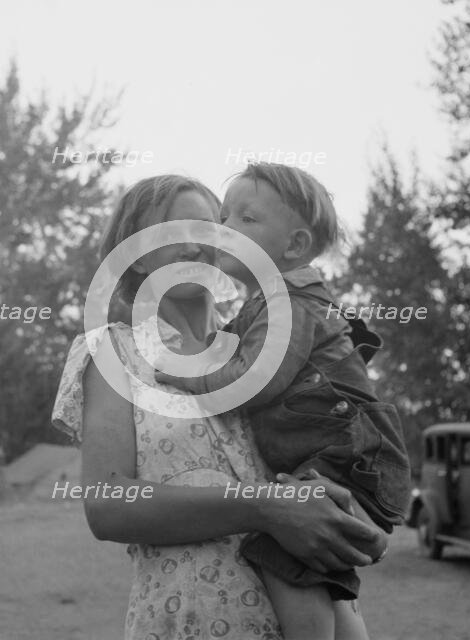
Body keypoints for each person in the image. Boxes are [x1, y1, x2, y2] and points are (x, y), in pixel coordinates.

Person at [52, 174, 386, 640]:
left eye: (209, 226)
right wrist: (264, 508)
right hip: (183, 622)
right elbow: (108, 505)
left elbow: (328, 452)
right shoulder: (112, 352)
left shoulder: (268, 350)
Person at [155, 164, 411, 639]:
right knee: (316, 573)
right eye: (225, 216)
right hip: (338, 458)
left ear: (293, 246)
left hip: (350, 457)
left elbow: (250, 383)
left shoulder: (290, 306)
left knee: (282, 557)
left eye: (246, 220)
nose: (225, 228)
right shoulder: (268, 305)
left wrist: (186, 372)